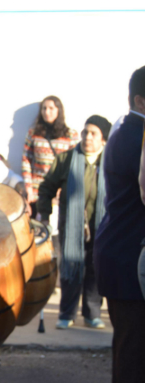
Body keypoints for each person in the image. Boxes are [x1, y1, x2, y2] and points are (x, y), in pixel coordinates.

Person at [95, 66, 145, 383]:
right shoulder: (136, 136)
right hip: (129, 257)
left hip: (123, 253)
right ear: (140, 100)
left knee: (132, 341)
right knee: (133, 343)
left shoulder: (128, 130)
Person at [38, 115, 110, 330]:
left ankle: (92, 314)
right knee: (70, 266)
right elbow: (46, 188)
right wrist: (44, 213)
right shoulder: (67, 159)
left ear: (103, 140)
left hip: (102, 227)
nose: (87, 137)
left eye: (93, 133)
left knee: (95, 269)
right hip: (72, 227)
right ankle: (67, 313)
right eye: (85, 132)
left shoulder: (110, 160)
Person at [22, 95, 79, 217]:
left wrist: (62, 188)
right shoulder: (33, 133)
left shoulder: (70, 135)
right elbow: (26, 159)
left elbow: (73, 164)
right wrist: (29, 188)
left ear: (59, 110)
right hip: (37, 191)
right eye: (44, 108)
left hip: (59, 192)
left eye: (51, 108)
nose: (47, 112)